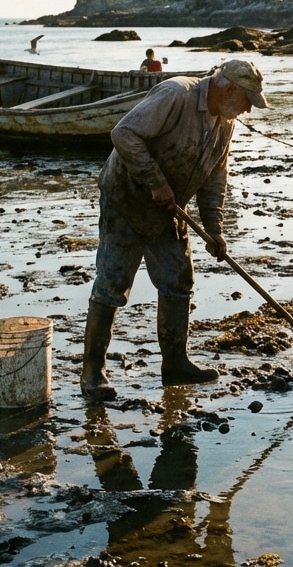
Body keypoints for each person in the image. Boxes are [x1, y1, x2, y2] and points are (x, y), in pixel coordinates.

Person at [80, 59, 268, 400]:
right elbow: (123, 133)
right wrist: (154, 181)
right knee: (113, 283)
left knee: (178, 281)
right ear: (228, 89)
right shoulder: (175, 94)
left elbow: (214, 177)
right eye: (246, 101)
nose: (247, 111)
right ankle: (93, 374)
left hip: (169, 209)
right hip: (127, 198)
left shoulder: (224, 123)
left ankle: (175, 364)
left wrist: (215, 229)